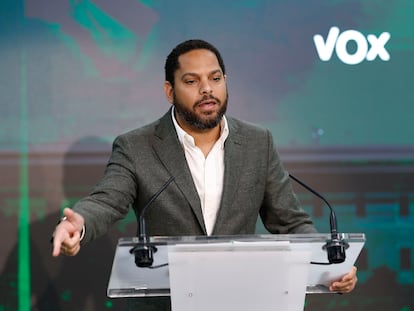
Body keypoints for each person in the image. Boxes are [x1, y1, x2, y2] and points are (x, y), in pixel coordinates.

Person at [51, 39, 358, 307]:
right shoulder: (136, 146)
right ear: (169, 91)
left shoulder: (257, 142)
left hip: (242, 301)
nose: (207, 89)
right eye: (191, 81)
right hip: (165, 304)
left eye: (215, 78)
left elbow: (289, 221)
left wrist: (331, 267)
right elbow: (107, 200)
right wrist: (78, 223)